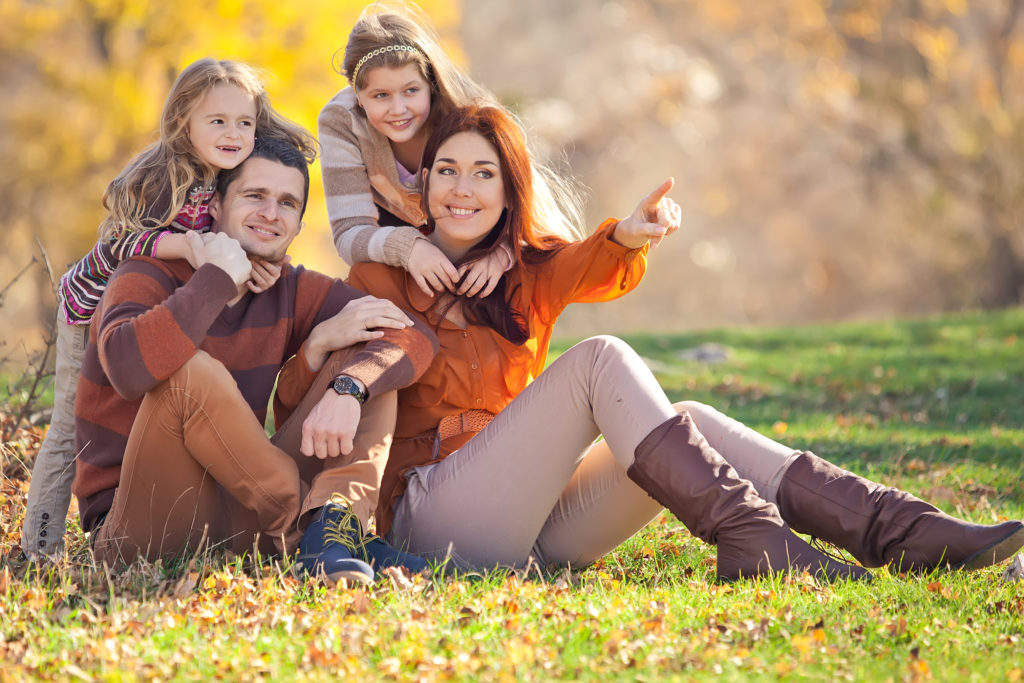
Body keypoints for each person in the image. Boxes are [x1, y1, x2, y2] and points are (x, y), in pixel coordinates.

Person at [344, 105, 1024, 581]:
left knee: (689, 420)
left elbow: (589, 261)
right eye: (448, 171)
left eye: (484, 173)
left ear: (508, 189)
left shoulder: (524, 273)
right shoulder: (381, 271)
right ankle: (750, 538)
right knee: (600, 360)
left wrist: (632, 234)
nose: (463, 188)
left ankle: (899, 529)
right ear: (423, 185)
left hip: (533, 524)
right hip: (430, 518)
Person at [71, 136, 439, 585]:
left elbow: (414, 335)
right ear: (215, 209)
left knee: (363, 353)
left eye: (287, 203)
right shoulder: (147, 274)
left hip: (240, 516)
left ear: (298, 226)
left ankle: (335, 528)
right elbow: (129, 371)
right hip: (141, 528)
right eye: (254, 196)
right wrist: (218, 279)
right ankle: (310, 533)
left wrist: (350, 388)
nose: (271, 213)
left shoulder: (288, 287)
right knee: (190, 372)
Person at [22, 58, 316, 560]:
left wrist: (262, 259)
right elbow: (123, 244)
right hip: (89, 304)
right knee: (69, 429)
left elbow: (248, 231)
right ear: (184, 120)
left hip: (148, 304)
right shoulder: (164, 175)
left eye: (244, 123)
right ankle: (39, 548)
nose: (233, 133)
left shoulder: (233, 169)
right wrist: (194, 248)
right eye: (217, 121)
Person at [319, 2, 582, 300]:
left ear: (430, 83)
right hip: (393, 233)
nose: (398, 109)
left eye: (411, 91)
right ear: (358, 97)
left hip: (480, 233)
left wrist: (501, 253)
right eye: (381, 95)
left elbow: (533, 215)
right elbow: (349, 233)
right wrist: (409, 248)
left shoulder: (470, 115)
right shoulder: (341, 121)